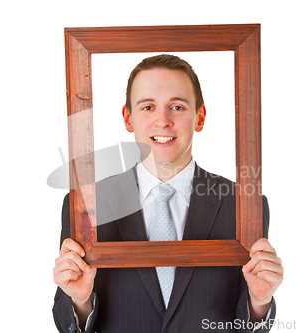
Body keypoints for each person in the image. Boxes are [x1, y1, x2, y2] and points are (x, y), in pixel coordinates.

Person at [53, 54, 283, 333]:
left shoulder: (244, 205)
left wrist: (259, 302)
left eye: (177, 106)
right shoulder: (87, 205)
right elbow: (67, 322)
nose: (163, 121)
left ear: (199, 117)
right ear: (128, 118)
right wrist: (80, 300)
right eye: (148, 107)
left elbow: (247, 319)